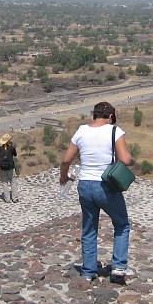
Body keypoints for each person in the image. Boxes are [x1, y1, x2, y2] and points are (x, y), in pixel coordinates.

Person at [60, 101, 133, 285]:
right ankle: (118, 268)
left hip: (85, 184)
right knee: (122, 224)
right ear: (110, 117)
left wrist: (64, 177)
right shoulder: (114, 131)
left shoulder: (81, 131)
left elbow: (66, 160)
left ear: (94, 115)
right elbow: (125, 159)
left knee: (89, 227)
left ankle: (88, 271)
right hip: (105, 184)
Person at [0, 133, 19, 203]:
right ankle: (14, 198)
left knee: (4, 183)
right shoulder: (11, 148)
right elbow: (15, 154)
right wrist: (12, 145)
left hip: (2, 169)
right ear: (8, 141)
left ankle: (7, 199)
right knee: (13, 183)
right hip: (11, 168)